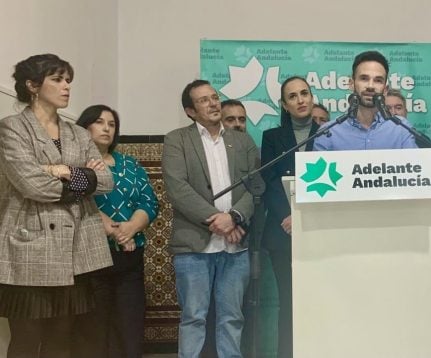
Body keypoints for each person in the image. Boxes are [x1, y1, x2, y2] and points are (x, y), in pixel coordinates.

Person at [0, 53, 114, 358]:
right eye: (58, 79)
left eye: (68, 81)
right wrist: (81, 177)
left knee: (62, 341)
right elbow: (31, 184)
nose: (66, 87)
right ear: (33, 85)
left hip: (74, 249)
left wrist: (62, 171)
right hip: (30, 247)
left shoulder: (77, 132)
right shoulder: (12, 127)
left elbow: (105, 181)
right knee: (25, 341)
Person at [162, 79, 259, 358]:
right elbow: (177, 189)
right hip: (194, 245)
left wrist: (236, 218)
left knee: (232, 317)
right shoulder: (176, 139)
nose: (213, 103)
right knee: (194, 318)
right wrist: (219, 220)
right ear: (190, 111)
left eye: (214, 97)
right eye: (203, 100)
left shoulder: (242, 140)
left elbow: (256, 185)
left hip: (235, 246)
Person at [73, 105, 159, 358]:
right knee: (94, 327)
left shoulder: (129, 164)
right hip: (92, 256)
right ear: (85, 126)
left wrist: (130, 228)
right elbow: (77, 201)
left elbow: (149, 202)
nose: (106, 128)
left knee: (129, 324)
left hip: (130, 255)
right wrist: (113, 231)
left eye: (111, 124)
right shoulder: (76, 164)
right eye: (99, 122)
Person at [261, 76, 320, 358]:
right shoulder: (272, 138)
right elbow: (269, 181)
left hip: (319, 231)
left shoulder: (329, 134)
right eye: (293, 96)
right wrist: (289, 215)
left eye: (305, 93)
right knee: (291, 301)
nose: (301, 100)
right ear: (285, 105)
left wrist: (303, 216)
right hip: (282, 232)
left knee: (319, 302)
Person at [313, 50, 417, 151]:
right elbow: (317, 168)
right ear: (351, 84)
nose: (370, 86)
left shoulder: (401, 128)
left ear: (385, 90)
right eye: (364, 78)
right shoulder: (328, 131)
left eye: (378, 80)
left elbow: (415, 166)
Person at [385, 88, 431, 173]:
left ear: (406, 112)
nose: (394, 112)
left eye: (398, 108)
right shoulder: (373, 139)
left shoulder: (422, 139)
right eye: (388, 108)